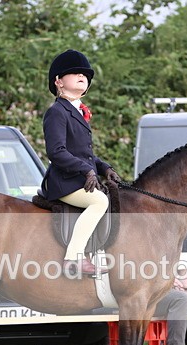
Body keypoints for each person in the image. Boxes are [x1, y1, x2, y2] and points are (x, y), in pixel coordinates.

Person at [42, 49, 120, 277]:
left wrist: (104, 168)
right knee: (99, 201)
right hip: (64, 182)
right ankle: (74, 257)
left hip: (79, 179)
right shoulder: (57, 111)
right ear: (58, 81)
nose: (82, 76)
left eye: (85, 74)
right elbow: (56, 152)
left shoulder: (77, 112)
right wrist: (87, 170)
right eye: (75, 73)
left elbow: (84, 154)